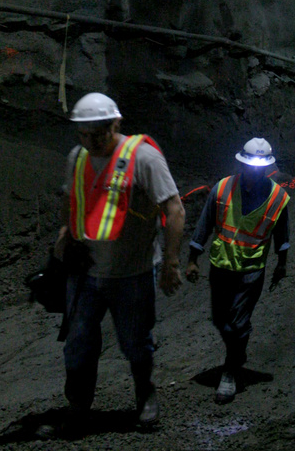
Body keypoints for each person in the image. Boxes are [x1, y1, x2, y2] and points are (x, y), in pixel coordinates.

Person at [53, 92, 185, 437]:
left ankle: (145, 393)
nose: (91, 141)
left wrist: (171, 262)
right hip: (85, 272)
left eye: (99, 133)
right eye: (84, 134)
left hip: (132, 273)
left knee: (135, 342)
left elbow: (174, 209)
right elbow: (72, 198)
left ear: (116, 124)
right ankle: (79, 406)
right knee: (78, 344)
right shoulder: (77, 157)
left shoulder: (142, 157)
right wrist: (66, 234)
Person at [184, 138, 290, 405]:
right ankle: (237, 351)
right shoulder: (222, 188)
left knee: (238, 323)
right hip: (221, 266)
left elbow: (282, 234)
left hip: (252, 269)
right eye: (250, 167)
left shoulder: (278, 197)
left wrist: (282, 264)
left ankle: (230, 373)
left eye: (259, 169)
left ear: (267, 169)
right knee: (221, 320)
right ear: (241, 164)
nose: (254, 172)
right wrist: (193, 258)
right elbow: (205, 223)